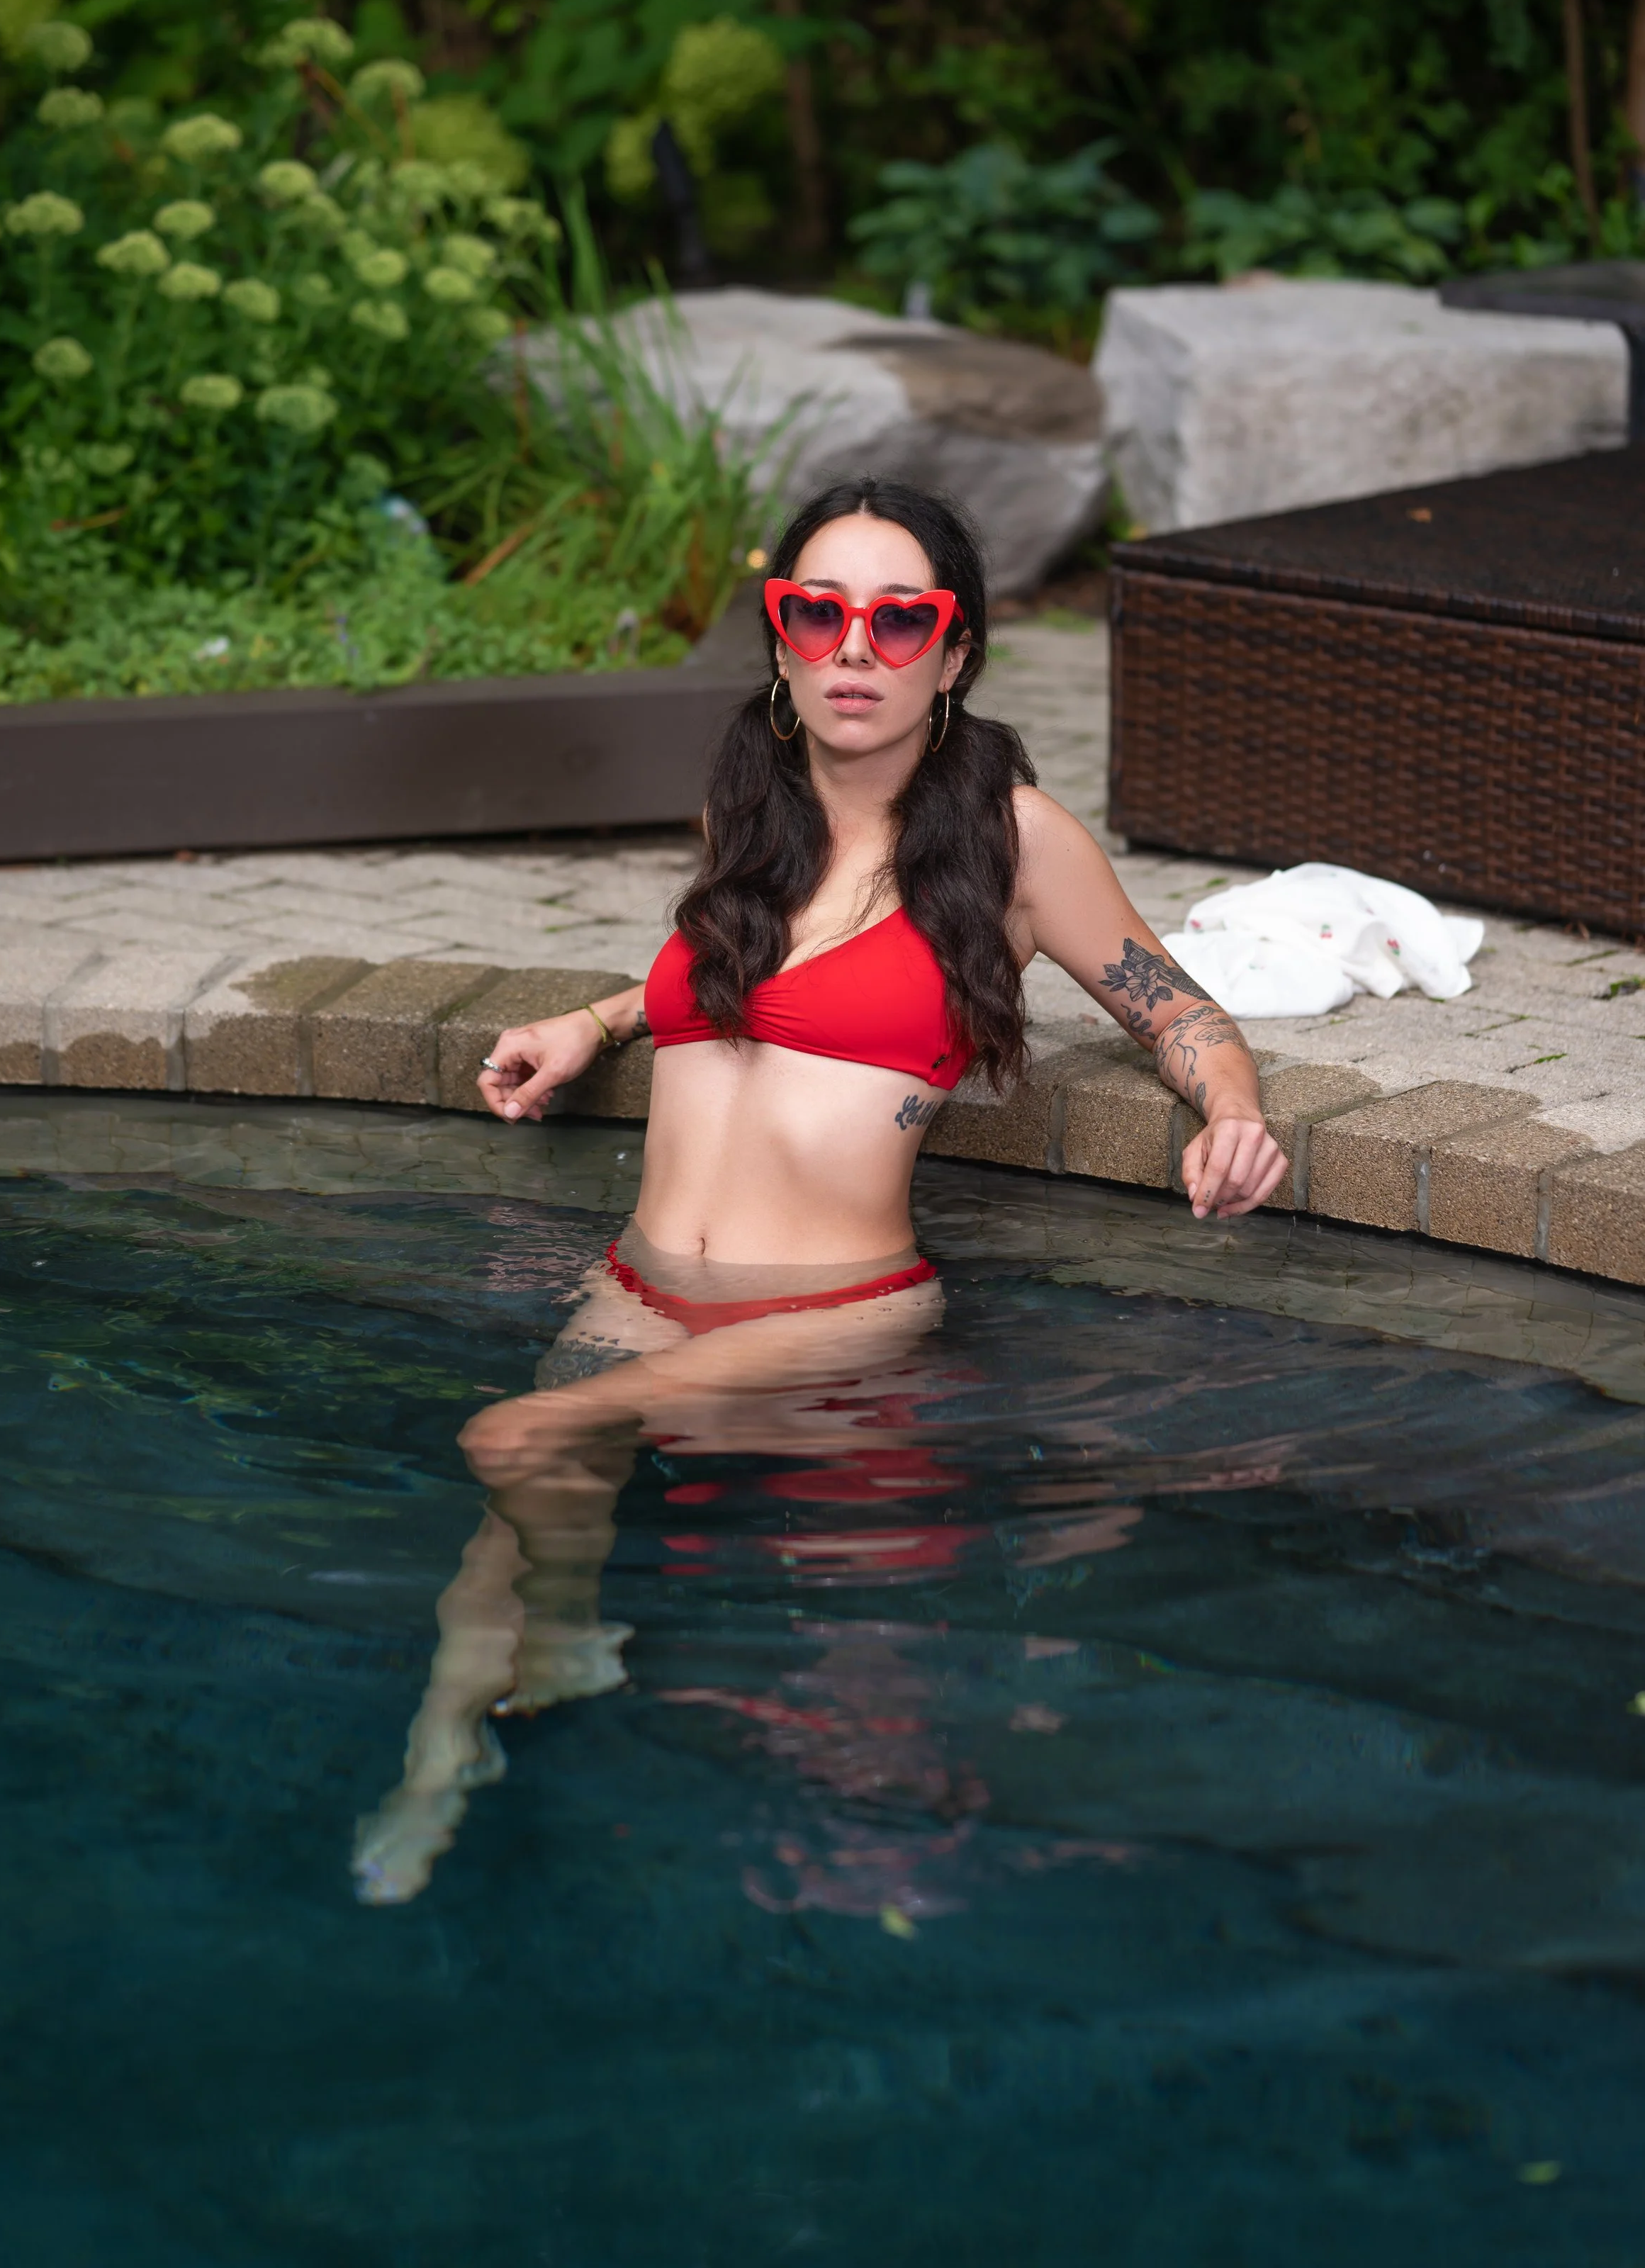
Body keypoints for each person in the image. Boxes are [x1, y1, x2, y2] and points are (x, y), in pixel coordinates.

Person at [350, 478, 1284, 1902]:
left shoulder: (1014, 840)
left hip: (831, 1314)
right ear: (780, 640)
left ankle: (582, 1650)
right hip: (638, 1285)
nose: (856, 647)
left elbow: (1177, 1010)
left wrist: (1233, 1113)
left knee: (520, 1438)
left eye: (899, 619)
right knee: (503, 1540)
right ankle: (438, 1764)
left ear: (953, 656)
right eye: (817, 612)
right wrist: (595, 1022)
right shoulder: (746, 807)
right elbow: (745, 987)